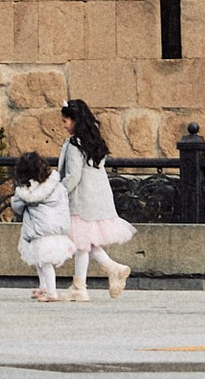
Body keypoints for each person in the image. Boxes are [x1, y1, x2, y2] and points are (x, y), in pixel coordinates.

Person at [59, 98, 136, 302]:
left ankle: (84, 284)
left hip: (80, 200)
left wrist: (58, 192)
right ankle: (89, 281)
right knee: (84, 243)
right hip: (96, 200)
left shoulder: (75, 144)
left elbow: (73, 176)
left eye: (66, 121)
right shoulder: (94, 142)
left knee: (81, 243)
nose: (64, 125)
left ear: (76, 121)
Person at [12, 147, 76, 303]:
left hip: (39, 231)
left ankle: (52, 292)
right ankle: (44, 289)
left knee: (44, 264)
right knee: (42, 262)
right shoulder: (56, 185)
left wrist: (18, 194)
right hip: (55, 231)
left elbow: (17, 207)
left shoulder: (27, 190)